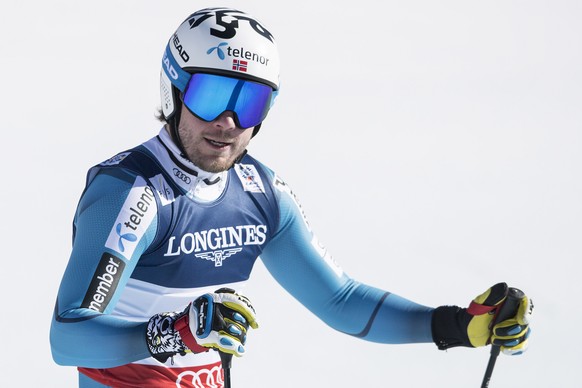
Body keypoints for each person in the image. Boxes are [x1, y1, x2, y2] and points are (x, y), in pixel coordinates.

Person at [50, 7, 533, 388]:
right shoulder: (131, 193)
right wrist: (174, 333)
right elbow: (68, 337)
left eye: (250, 102)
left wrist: (454, 327)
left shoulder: (259, 194)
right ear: (173, 88)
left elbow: (340, 300)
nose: (229, 123)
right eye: (214, 95)